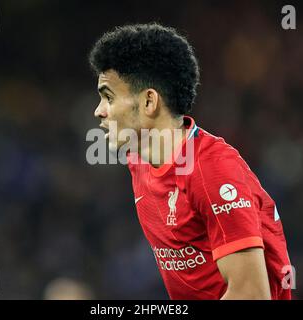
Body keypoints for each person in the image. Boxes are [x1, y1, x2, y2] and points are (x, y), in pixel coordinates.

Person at [89, 23, 292, 299]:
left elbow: (252, 294)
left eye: (108, 97)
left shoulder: (213, 170)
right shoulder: (139, 158)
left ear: (149, 102)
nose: (98, 111)